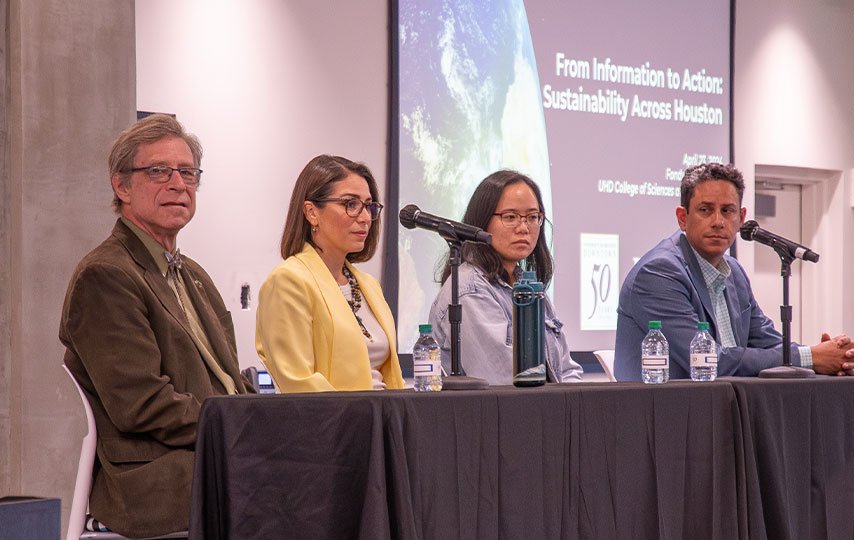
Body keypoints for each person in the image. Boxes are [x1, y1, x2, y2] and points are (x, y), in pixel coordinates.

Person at [59, 114, 253, 538]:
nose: (178, 184)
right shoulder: (106, 276)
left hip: (218, 450)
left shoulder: (193, 275)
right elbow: (142, 404)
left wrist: (266, 417)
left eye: (188, 173)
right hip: (160, 475)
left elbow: (230, 381)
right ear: (122, 186)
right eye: (159, 171)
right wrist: (238, 425)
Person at [614, 163, 854, 380]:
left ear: (741, 218)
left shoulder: (734, 272)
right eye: (705, 210)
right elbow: (708, 361)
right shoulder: (658, 273)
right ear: (682, 218)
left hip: (726, 410)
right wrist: (811, 357)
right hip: (667, 419)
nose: (718, 221)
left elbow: (766, 342)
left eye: (727, 210)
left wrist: (832, 355)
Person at [256, 155, 404, 392]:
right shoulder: (288, 281)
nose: (365, 217)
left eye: (369, 206)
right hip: (338, 425)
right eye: (351, 204)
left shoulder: (368, 284)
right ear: (312, 212)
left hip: (387, 419)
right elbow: (299, 383)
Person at [428, 170, 583, 385]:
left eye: (532, 217)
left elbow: (567, 370)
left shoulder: (528, 286)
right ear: (482, 222)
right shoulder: (470, 290)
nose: (523, 228)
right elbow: (504, 381)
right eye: (510, 217)